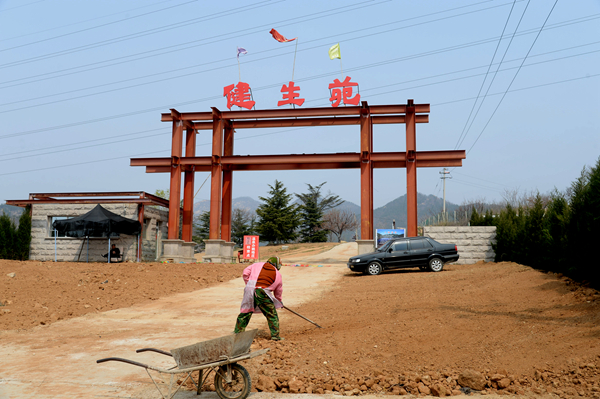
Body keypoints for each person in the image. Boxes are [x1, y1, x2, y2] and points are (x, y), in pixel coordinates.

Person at [233, 256, 284, 341]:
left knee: (245, 313)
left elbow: (245, 273)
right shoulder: (277, 274)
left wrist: (250, 283)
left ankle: (237, 334)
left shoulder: (256, 265)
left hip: (250, 290)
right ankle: (275, 336)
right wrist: (279, 301)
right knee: (271, 314)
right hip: (262, 292)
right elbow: (278, 290)